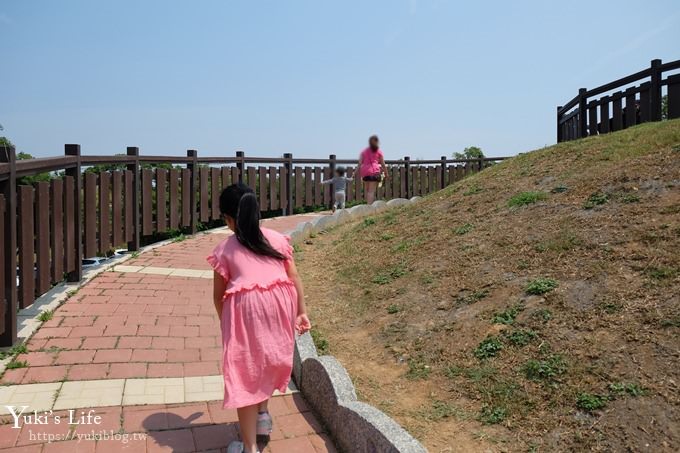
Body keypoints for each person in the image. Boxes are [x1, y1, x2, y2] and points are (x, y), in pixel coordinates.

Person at [207, 183, 311, 453]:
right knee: (266, 359)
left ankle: (250, 447)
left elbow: (218, 296)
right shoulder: (276, 240)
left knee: (245, 372)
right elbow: (294, 276)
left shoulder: (225, 249)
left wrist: (226, 324)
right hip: (281, 305)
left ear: (229, 219)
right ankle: (263, 416)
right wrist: (301, 310)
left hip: (247, 309)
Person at [358, 135, 388, 204]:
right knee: (371, 191)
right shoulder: (378, 151)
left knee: (367, 190)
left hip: (364, 172)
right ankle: (369, 206)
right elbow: (383, 164)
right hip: (374, 171)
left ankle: (367, 203)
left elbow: (360, 162)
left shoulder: (364, 151)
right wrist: (386, 173)